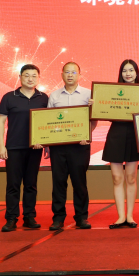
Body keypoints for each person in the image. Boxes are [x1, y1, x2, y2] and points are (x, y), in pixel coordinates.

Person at [0, 64, 49, 232]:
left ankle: (29, 217)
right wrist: (1, 145)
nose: (30, 79)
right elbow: (0, 122)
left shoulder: (44, 98)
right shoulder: (9, 97)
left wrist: (46, 142)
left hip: (35, 147)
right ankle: (11, 218)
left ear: (38, 78)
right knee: (13, 184)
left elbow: (49, 122)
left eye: (34, 76)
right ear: (20, 77)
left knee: (31, 184)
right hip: (13, 147)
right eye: (26, 75)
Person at [101, 60, 139, 229]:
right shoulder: (112, 92)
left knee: (131, 178)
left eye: (131, 70)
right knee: (117, 178)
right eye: (124, 70)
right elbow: (105, 111)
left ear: (136, 73)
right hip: (116, 135)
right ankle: (120, 216)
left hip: (133, 136)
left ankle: (129, 216)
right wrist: (97, 105)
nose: (128, 74)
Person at [45, 62, 94, 231]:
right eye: (67, 72)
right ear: (62, 75)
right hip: (58, 147)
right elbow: (47, 120)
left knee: (79, 183)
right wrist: (47, 143)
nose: (70, 75)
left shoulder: (89, 94)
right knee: (58, 182)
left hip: (80, 145)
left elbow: (94, 118)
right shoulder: (54, 96)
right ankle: (58, 218)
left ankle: (81, 217)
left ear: (80, 75)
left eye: (74, 72)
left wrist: (87, 135)